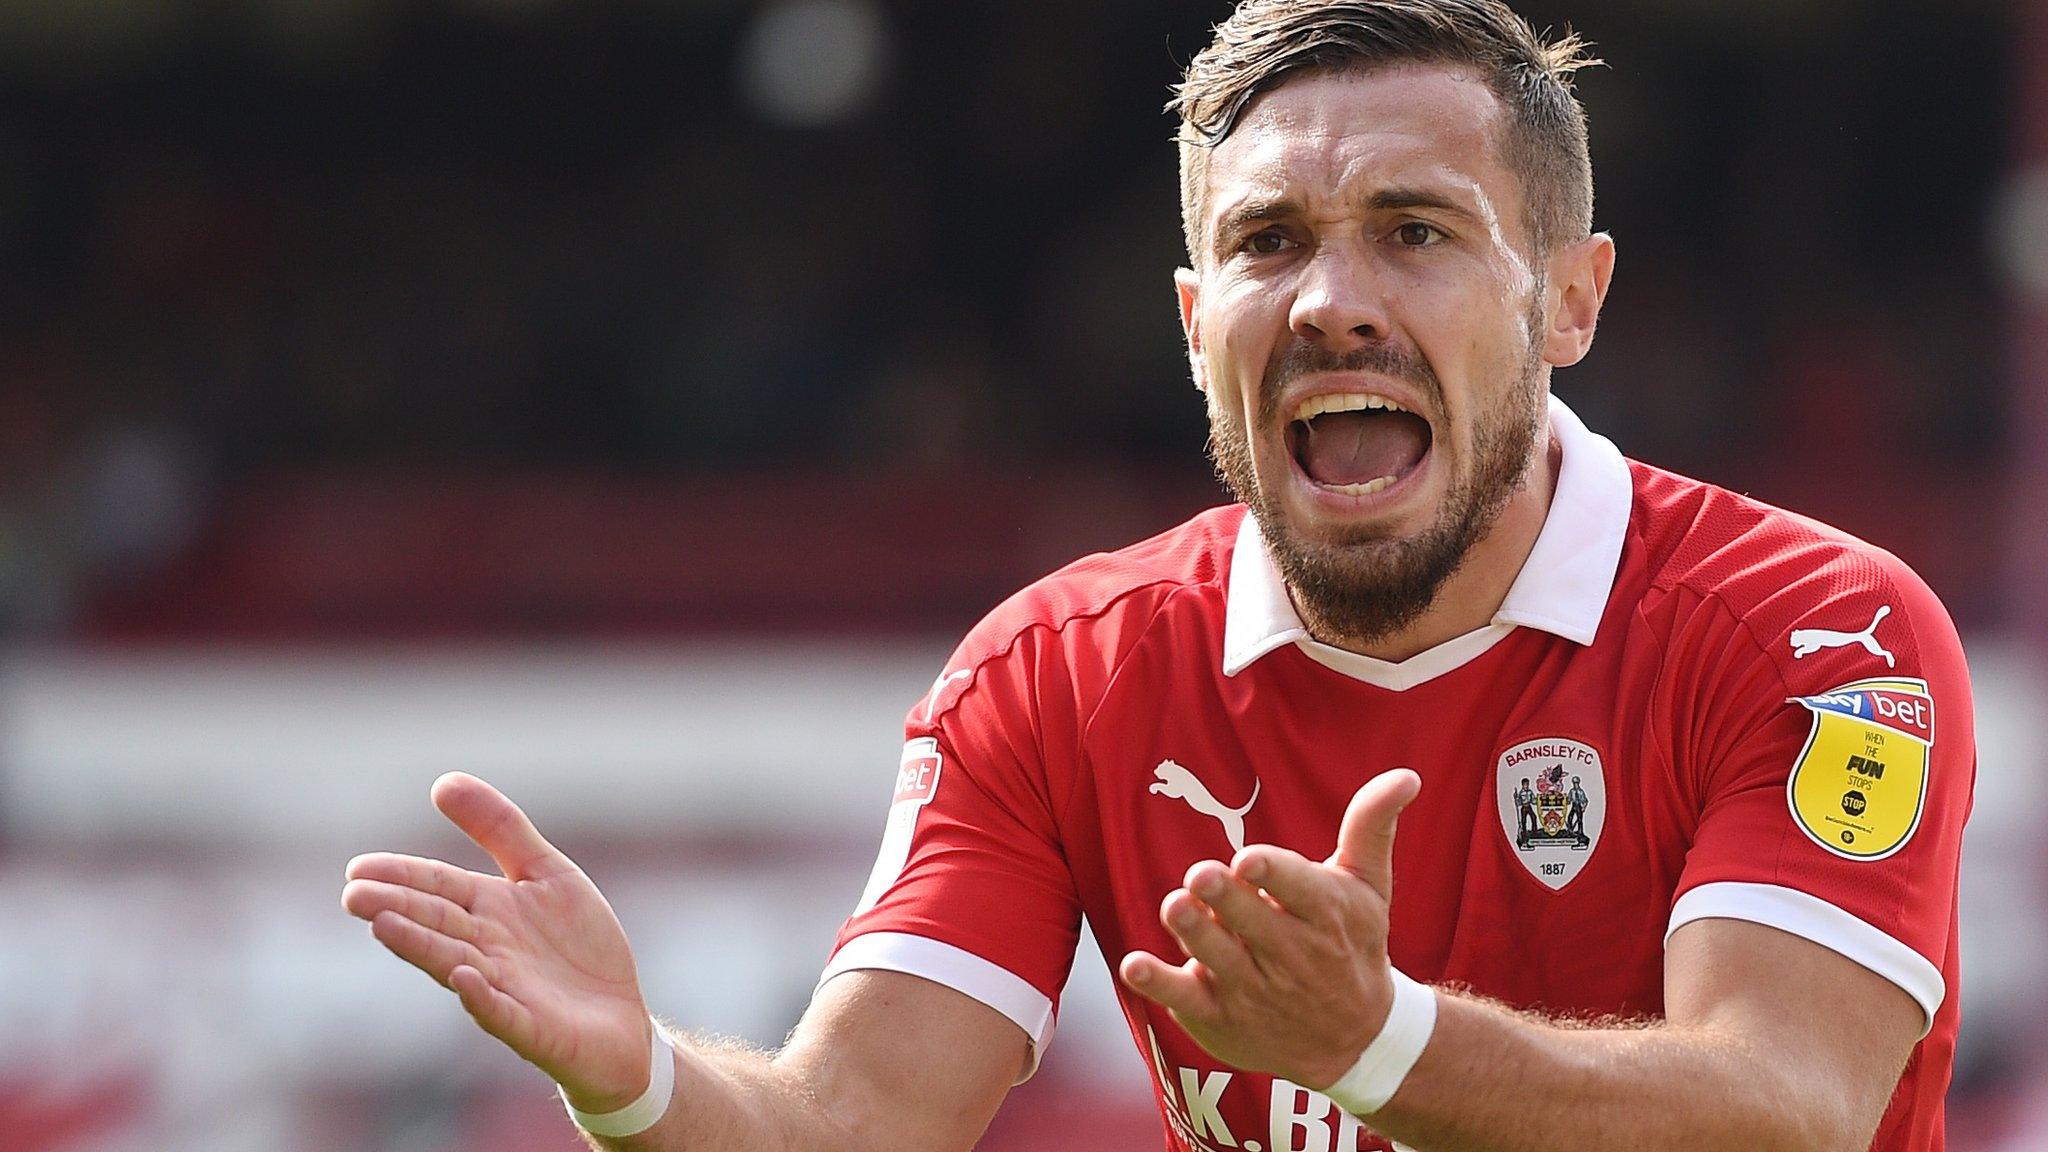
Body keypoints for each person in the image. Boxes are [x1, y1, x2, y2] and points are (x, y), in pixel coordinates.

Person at [340, 1, 1973, 1149]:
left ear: (1570, 301)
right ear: (1197, 328)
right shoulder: (1057, 676)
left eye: (1415, 230)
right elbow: (843, 1129)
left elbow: (1787, 1113)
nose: (1331, 299)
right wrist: (640, 1086)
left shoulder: (1821, 638)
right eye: (1270, 242)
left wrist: (1376, 1042)